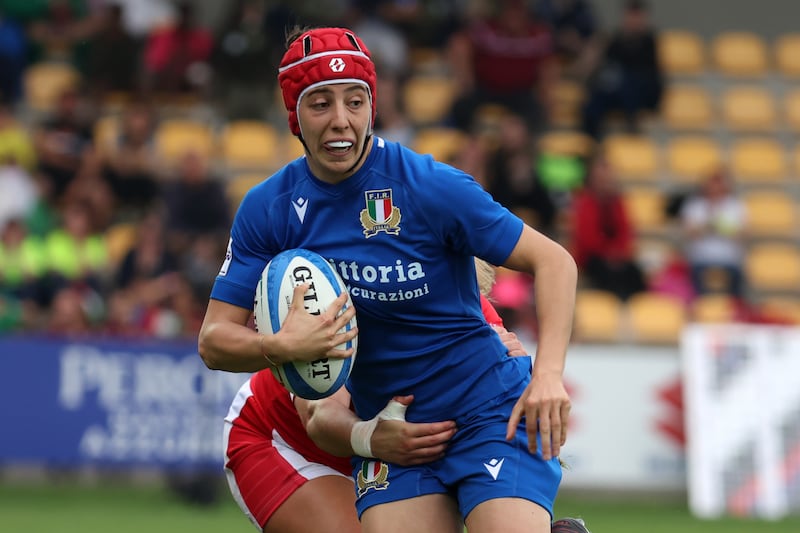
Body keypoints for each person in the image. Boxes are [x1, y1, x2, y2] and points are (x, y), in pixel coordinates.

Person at [198, 25, 578, 533]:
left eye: (355, 102)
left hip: (481, 417)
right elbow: (217, 342)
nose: (340, 121)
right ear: (294, 116)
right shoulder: (271, 210)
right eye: (320, 104)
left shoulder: (430, 187)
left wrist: (548, 377)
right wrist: (283, 345)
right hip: (348, 431)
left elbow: (555, 261)